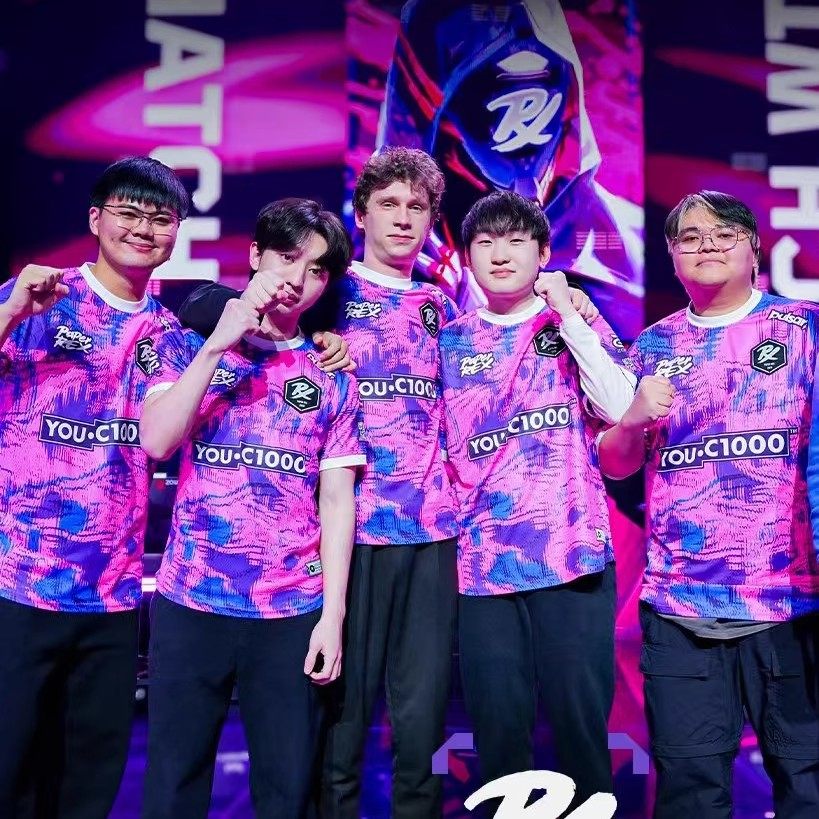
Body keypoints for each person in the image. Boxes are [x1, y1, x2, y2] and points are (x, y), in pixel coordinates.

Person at [179, 146, 459, 818]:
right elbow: (208, 302)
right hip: (346, 536)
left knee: (422, 727)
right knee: (339, 727)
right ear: (360, 213)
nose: (402, 218)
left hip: (430, 533)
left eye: (416, 207)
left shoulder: (440, 305)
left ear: (431, 221)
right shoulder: (328, 285)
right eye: (387, 204)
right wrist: (315, 335)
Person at [139, 198, 365, 819]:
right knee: (173, 786)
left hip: (290, 609)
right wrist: (221, 341)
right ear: (255, 254)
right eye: (286, 258)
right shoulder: (186, 343)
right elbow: (157, 441)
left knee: (287, 793)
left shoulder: (332, 373)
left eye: (316, 270)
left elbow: (337, 502)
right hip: (192, 600)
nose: (297, 279)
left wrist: (332, 617)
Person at [599, 191, 819, 818]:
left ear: (754, 248)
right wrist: (632, 420)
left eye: (724, 234)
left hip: (791, 604)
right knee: (691, 795)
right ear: (671, 256)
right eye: (690, 238)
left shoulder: (805, 328)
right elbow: (616, 463)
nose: (708, 246)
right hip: (681, 608)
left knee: (807, 786)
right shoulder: (651, 347)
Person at [0, 156, 189, 818]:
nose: (142, 228)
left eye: (159, 218)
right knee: (9, 772)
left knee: (89, 784)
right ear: (95, 219)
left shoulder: (168, 334)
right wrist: (12, 309)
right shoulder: (37, 297)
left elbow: (160, 439)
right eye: (128, 212)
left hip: (110, 594)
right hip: (18, 582)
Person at [438, 190, 635, 814]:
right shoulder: (448, 341)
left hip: (572, 557)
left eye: (516, 240)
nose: (500, 254)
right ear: (468, 256)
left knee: (582, 736)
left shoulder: (574, 322)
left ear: (544, 254)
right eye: (485, 242)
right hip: (483, 568)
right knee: (501, 744)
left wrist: (569, 315)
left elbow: (620, 406)